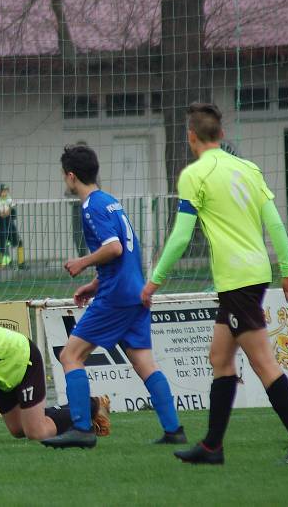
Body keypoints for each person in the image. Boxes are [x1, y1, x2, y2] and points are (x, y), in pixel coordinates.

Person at [141, 102, 288, 465]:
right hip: (252, 277)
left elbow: (180, 237)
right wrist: (287, 270)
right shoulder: (248, 168)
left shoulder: (194, 175)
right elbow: (274, 222)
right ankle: (211, 447)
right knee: (220, 359)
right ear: (221, 135)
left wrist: (154, 280)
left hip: (238, 282)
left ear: (191, 137)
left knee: (264, 363)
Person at [41, 145, 185, 450]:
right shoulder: (111, 202)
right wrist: (94, 284)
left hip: (117, 297)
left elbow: (115, 248)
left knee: (70, 356)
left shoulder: (91, 206)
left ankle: (81, 428)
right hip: (134, 291)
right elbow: (124, 254)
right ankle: (174, 429)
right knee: (144, 362)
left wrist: (81, 262)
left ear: (70, 176)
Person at [0, 320, 111, 440]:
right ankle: (38, 414)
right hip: (1, 379)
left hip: (24, 362)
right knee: (18, 430)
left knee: (36, 432)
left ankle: (93, 404)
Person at [0, 184, 24, 269]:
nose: (5, 192)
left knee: (19, 242)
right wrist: (2, 214)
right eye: (3, 191)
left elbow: (13, 214)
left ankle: (21, 263)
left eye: (6, 190)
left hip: (11, 227)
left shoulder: (9, 200)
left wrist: (8, 211)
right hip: (2, 229)